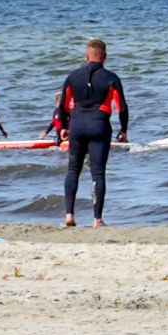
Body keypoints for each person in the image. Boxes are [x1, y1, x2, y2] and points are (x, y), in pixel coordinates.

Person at [52, 40, 130, 225]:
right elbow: (122, 108)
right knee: (98, 173)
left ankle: (69, 215)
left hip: (77, 127)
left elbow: (63, 105)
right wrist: (123, 130)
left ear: (87, 56)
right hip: (99, 126)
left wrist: (63, 127)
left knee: (73, 169)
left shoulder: (73, 77)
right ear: (104, 57)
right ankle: (97, 219)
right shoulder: (111, 78)